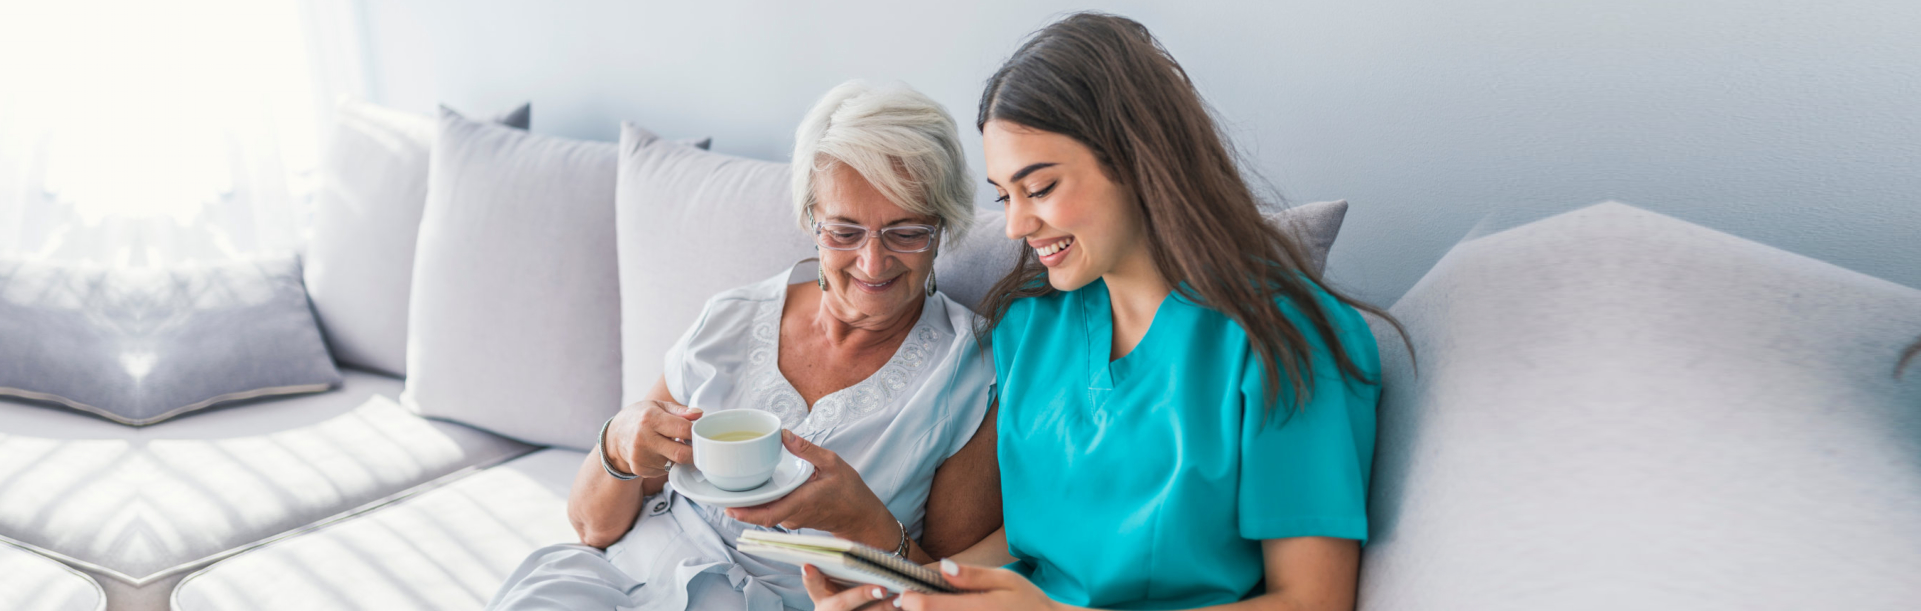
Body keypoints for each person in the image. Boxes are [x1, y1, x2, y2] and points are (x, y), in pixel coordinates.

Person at [805, 12, 1410, 611]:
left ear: (1138, 159)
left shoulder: (1288, 338)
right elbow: (1023, 545)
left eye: (1039, 188)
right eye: (1004, 196)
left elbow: (1313, 600)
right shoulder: (1030, 328)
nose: (1016, 225)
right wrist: (909, 591)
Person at [489, 80, 1001, 611]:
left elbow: (949, 598)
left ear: (942, 228)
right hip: (621, 579)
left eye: (906, 231)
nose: (873, 263)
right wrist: (619, 443)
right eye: (844, 232)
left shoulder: (970, 373)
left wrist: (863, 522)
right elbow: (592, 529)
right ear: (810, 221)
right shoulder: (732, 318)